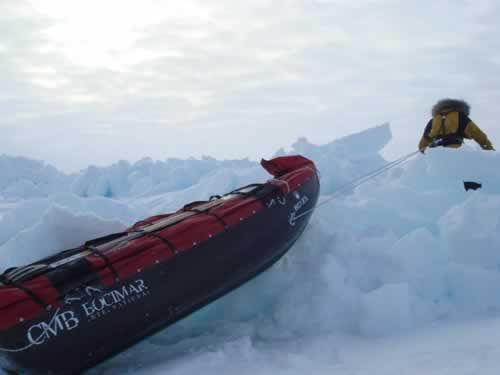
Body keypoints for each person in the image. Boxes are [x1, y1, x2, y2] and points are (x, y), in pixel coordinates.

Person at [418, 99, 494, 153]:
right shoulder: (460, 117)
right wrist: (489, 148)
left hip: (436, 154)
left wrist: (423, 151)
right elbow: (477, 133)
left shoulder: (433, 120)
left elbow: (423, 143)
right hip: (455, 152)